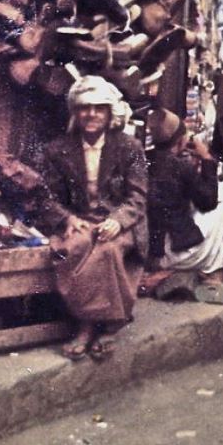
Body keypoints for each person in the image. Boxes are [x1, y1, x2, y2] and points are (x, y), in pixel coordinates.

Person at [37, 76, 148, 362]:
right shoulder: (56, 150)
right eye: (84, 108)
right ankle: (92, 324)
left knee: (107, 250)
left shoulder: (130, 147)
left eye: (99, 108)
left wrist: (118, 221)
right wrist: (66, 219)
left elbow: (138, 196)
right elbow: (46, 197)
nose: (92, 114)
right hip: (81, 219)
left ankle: (100, 326)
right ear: (75, 112)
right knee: (74, 247)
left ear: (110, 114)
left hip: (119, 220)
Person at [146, 107, 223, 302]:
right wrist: (207, 159)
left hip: (152, 251)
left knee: (219, 215)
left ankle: (220, 276)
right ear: (181, 140)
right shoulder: (180, 167)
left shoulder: (145, 159)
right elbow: (208, 202)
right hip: (173, 253)